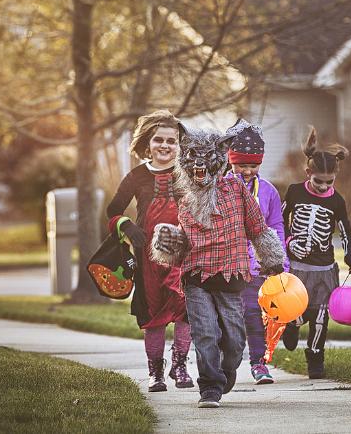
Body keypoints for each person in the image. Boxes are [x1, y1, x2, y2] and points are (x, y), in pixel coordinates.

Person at [150, 124, 286, 408]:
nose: (199, 166)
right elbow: (184, 242)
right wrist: (169, 242)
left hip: (232, 275)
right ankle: (209, 388)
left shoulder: (236, 189)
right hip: (197, 277)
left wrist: (272, 260)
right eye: (193, 159)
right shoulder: (185, 198)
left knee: (235, 341)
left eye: (205, 159)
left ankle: (225, 372)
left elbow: (258, 228)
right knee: (205, 333)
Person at [105, 110, 193, 392]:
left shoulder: (188, 172)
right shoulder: (136, 176)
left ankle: (180, 366)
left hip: (184, 254)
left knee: (185, 311)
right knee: (152, 315)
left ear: (180, 145)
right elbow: (112, 210)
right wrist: (127, 226)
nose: (165, 146)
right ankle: (155, 372)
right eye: (159, 140)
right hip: (148, 258)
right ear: (148, 143)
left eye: (172, 141)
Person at [281, 127, 351, 379]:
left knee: (320, 315)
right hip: (297, 267)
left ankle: (315, 356)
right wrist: (288, 242)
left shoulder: (336, 201)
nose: (323, 186)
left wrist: (350, 256)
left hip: (324, 269)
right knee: (296, 310)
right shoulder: (294, 191)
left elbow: (345, 230)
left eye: (329, 182)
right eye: (318, 181)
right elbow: (279, 220)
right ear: (308, 173)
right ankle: (291, 325)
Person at [224, 118, 287, 384]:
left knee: (254, 315)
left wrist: (279, 262)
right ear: (231, 161)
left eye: (253, 165)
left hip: (255, 268)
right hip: (226, 266)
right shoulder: (220, 187)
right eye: (242, 165)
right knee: (228, 320)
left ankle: (259, 363)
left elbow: (276, 227)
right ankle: (225, 365)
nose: (247, 171)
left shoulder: (269, 191)